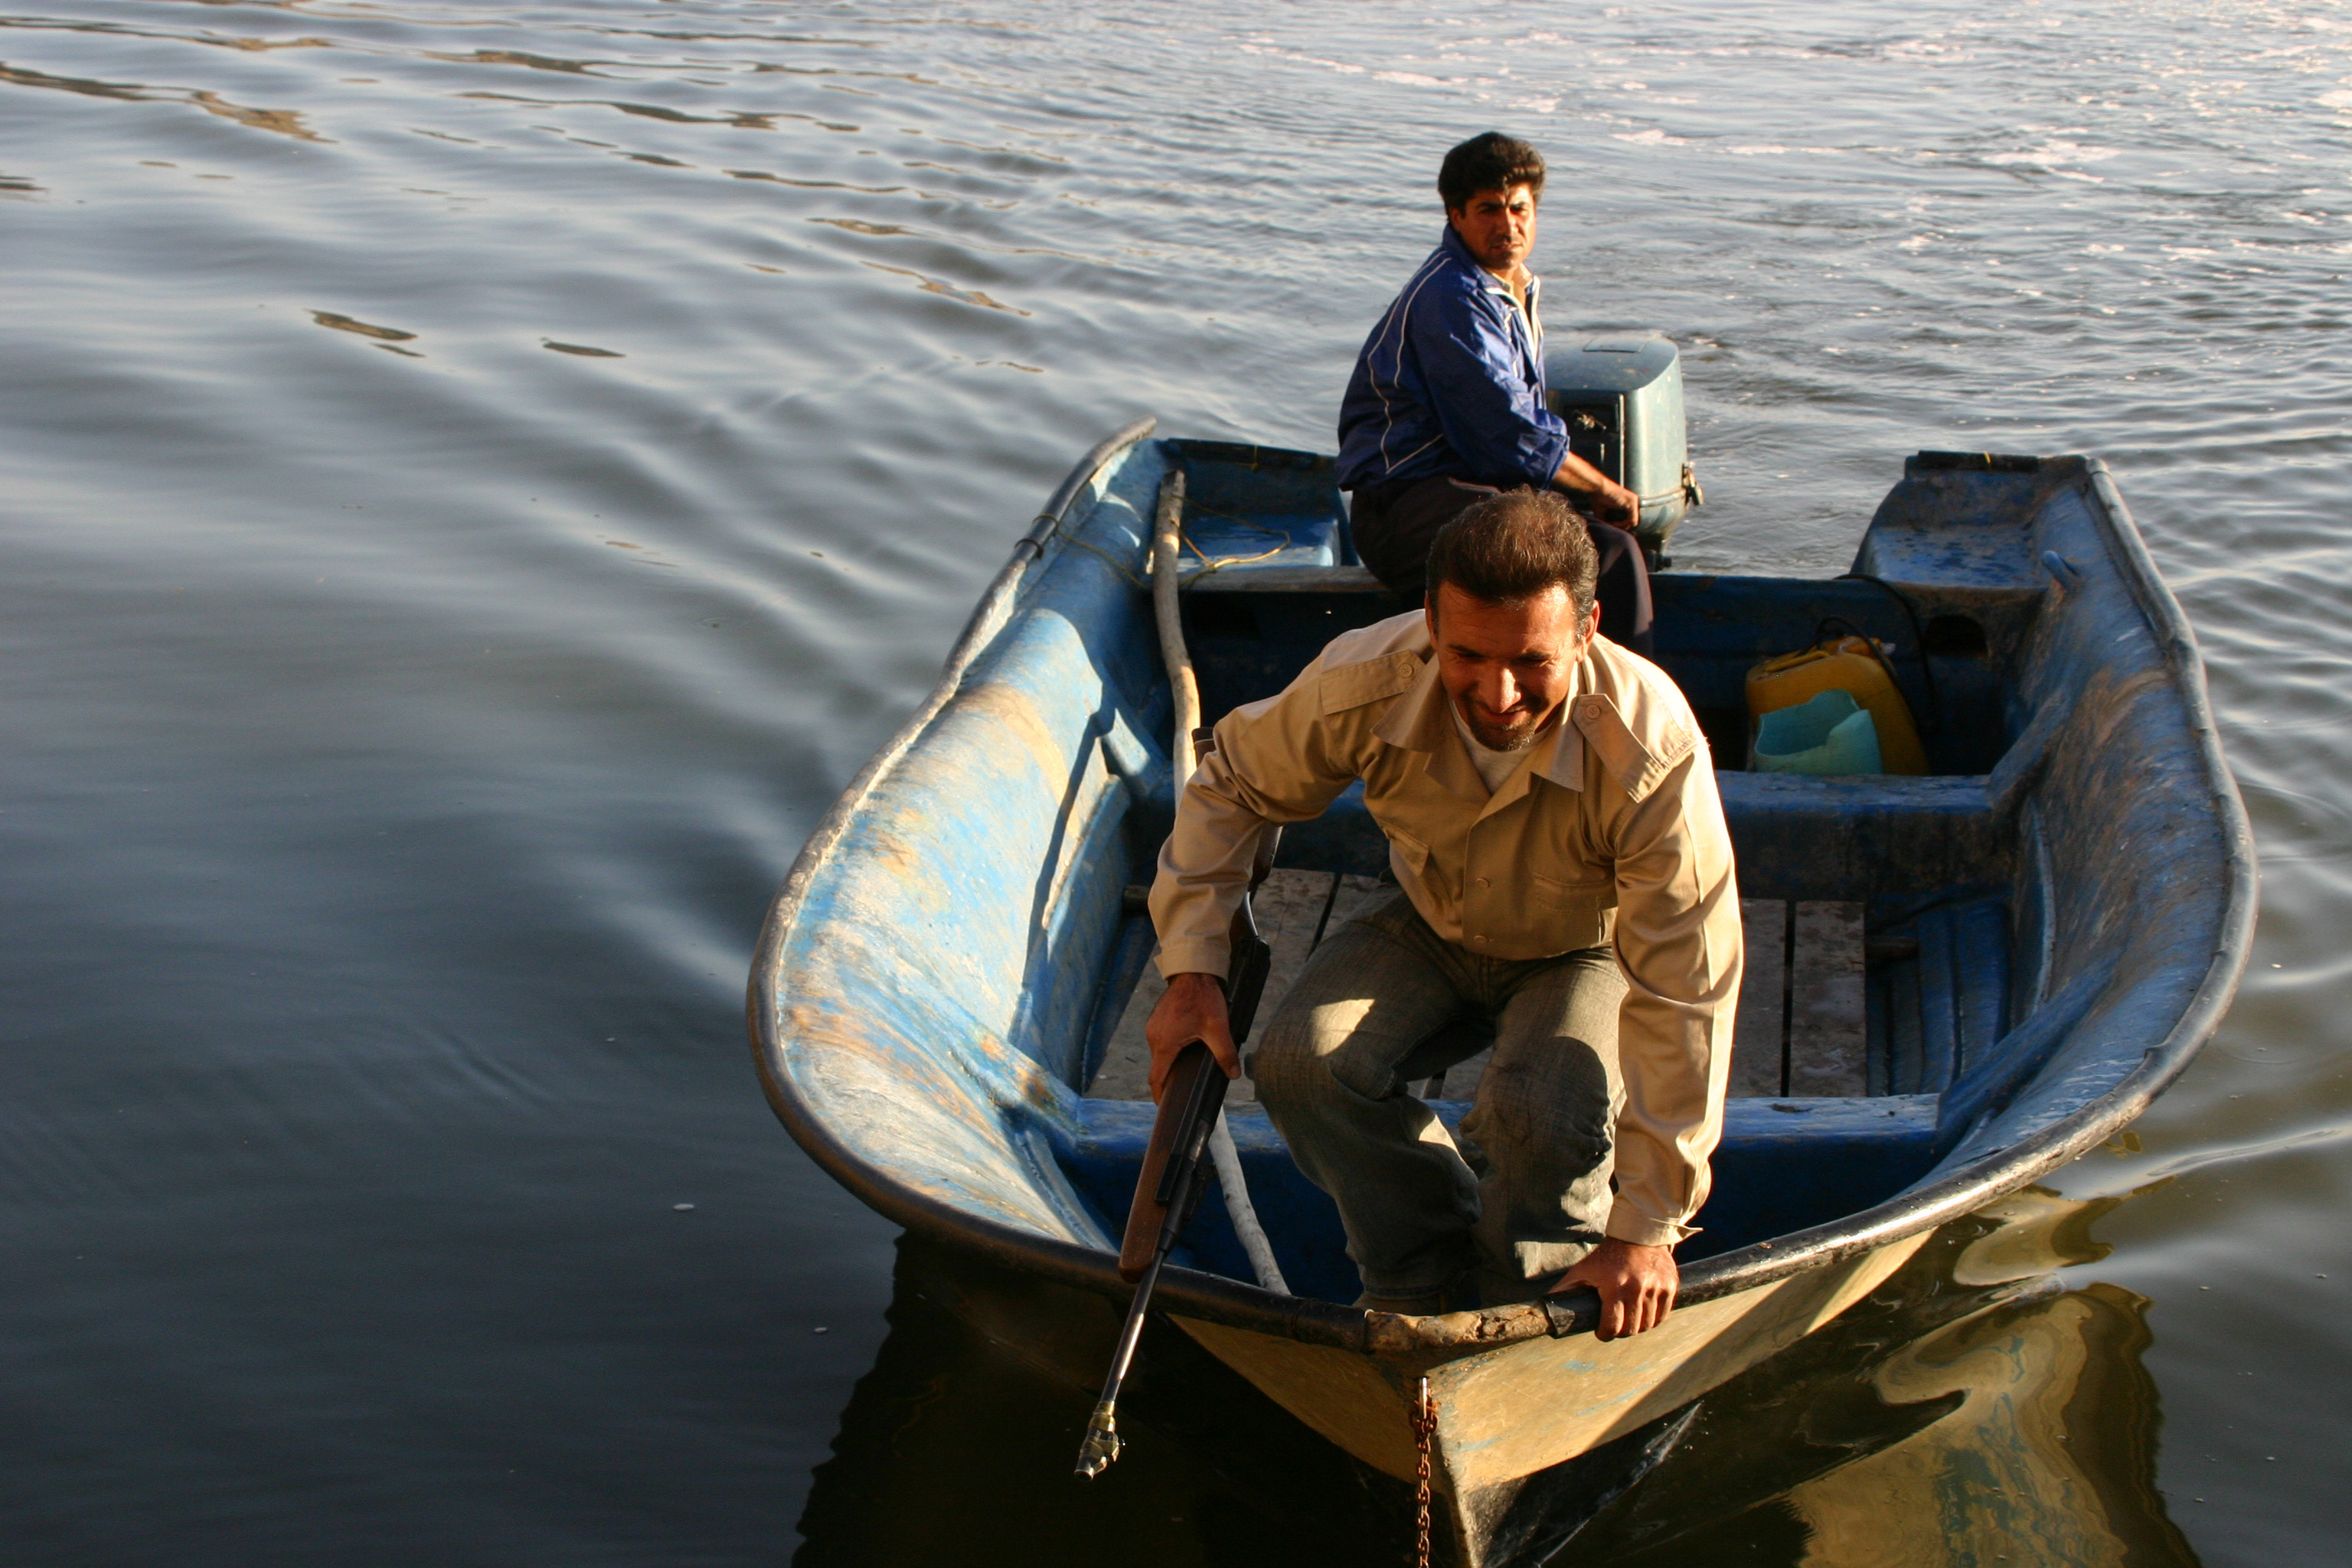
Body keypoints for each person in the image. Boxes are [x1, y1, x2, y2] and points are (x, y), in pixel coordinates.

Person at [1142, 492, 1738, 1340]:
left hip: (1588, 948)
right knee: (1302, 1064)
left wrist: (1647, 1226)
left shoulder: (1650, 747)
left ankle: (1522, 1300)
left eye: (1532, 661)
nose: (1497, 693)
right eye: (1466, 655)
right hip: (1433, 923)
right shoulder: (1366, 679)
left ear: (1588, 628)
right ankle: (1417, 1278)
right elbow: (1233, 782)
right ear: (1429, 620)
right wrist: (1192, 971)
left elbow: (1690, 991)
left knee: (1540, 1115)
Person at [1337, 131, 1654, 655]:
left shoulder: (1510, 289)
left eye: (1519, 209)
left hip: (1465, 490)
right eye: (1488, 210)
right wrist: (1602, 488)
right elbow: (1508, 436)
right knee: (1609, 554)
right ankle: (1616, 717)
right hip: (1405, 511)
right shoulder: (1452, 298)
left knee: (1590, 542)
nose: (1508, 225)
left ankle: (1586, 699)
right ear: (1456, 215)